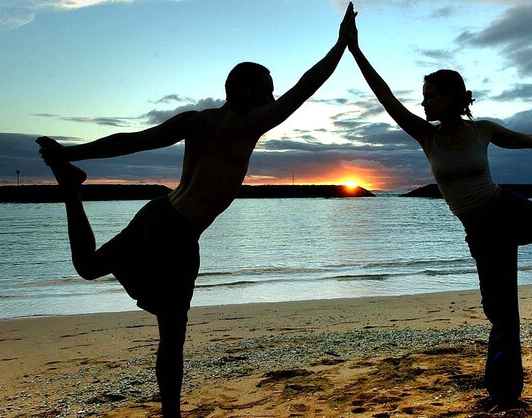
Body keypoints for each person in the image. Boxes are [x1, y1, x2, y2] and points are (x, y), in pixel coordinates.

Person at [36, 4, 357, 416]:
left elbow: (132, 140)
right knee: (172, 334)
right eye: (266, 89)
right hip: (177, 233)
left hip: (157, 212)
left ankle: (70, 185)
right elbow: (305, 88)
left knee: (88, 266)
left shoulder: (197, 120)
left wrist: (70, 151)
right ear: (244, 92)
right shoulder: (247, 124)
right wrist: (341, 45)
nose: (272, 97)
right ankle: (171, 413)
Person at [343, 12, 532, 412]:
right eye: (423, 96)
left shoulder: (482, 130)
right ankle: (504, 395)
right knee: (502, 313)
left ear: (453, 96)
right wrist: (354, 48)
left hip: (509, 210)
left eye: (431, 95)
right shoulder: (426, 135)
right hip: (484, 235)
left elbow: (523, 139)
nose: (423, 102)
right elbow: (385, 96)